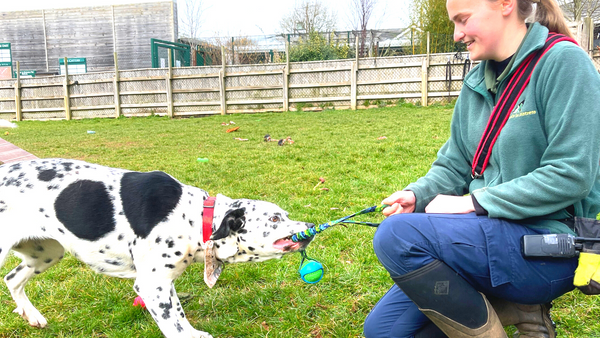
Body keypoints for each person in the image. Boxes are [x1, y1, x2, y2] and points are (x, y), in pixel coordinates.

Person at [363, 0, 600, 337]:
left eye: (463, 20)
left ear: (505, 4)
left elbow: (571, 173)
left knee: (397, 236)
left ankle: (520, 304)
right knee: (385, 330)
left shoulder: (564, 63)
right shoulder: (477, 79)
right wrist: (418, 194)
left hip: (547, 244)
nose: (457, 34)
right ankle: (519, 309)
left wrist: (473, 202)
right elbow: (455, 163)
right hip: (485, 237)